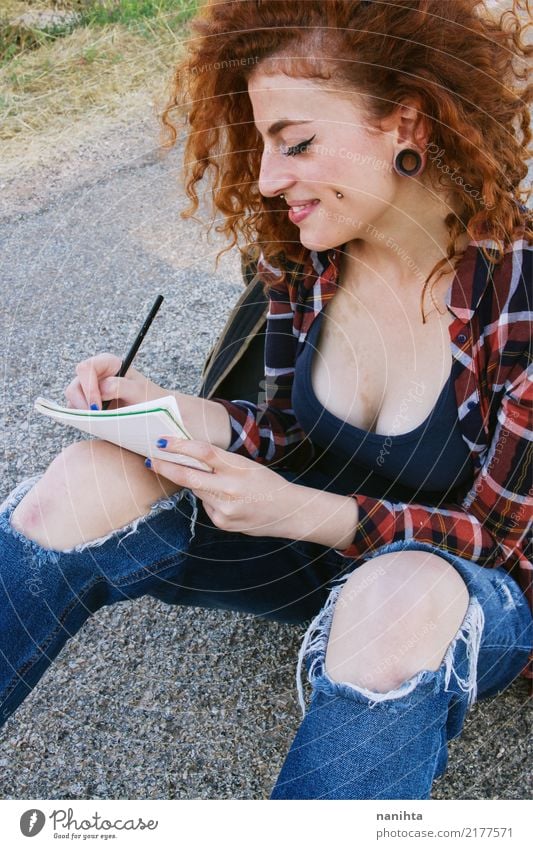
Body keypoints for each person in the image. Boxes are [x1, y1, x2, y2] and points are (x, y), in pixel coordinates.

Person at [1, 0, 531, 799]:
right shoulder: (305, 258)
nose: (266, 178)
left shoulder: (515, 297)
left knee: (398, 592)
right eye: (261, 144)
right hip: (313, 549)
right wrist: (158, 409)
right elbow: (280, 429)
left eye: (299, 142)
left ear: (408, 127)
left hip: (459, 598)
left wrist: (301, 512)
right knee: (90, 471)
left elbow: (500, 544)